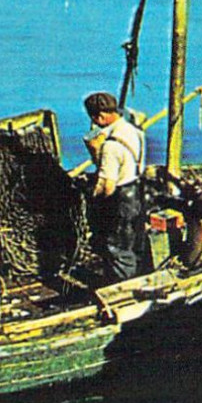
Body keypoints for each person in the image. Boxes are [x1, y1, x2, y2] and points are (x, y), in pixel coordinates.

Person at [82, 91, 146, 282]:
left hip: (121, 199)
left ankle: (123, 289)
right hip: (137, 192)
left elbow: (107, 186)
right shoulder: (134, 131)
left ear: (100, 116)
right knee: (134, 243)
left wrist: (91, 193)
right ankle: (139, 278)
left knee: (117, 248)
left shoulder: (110, 146)